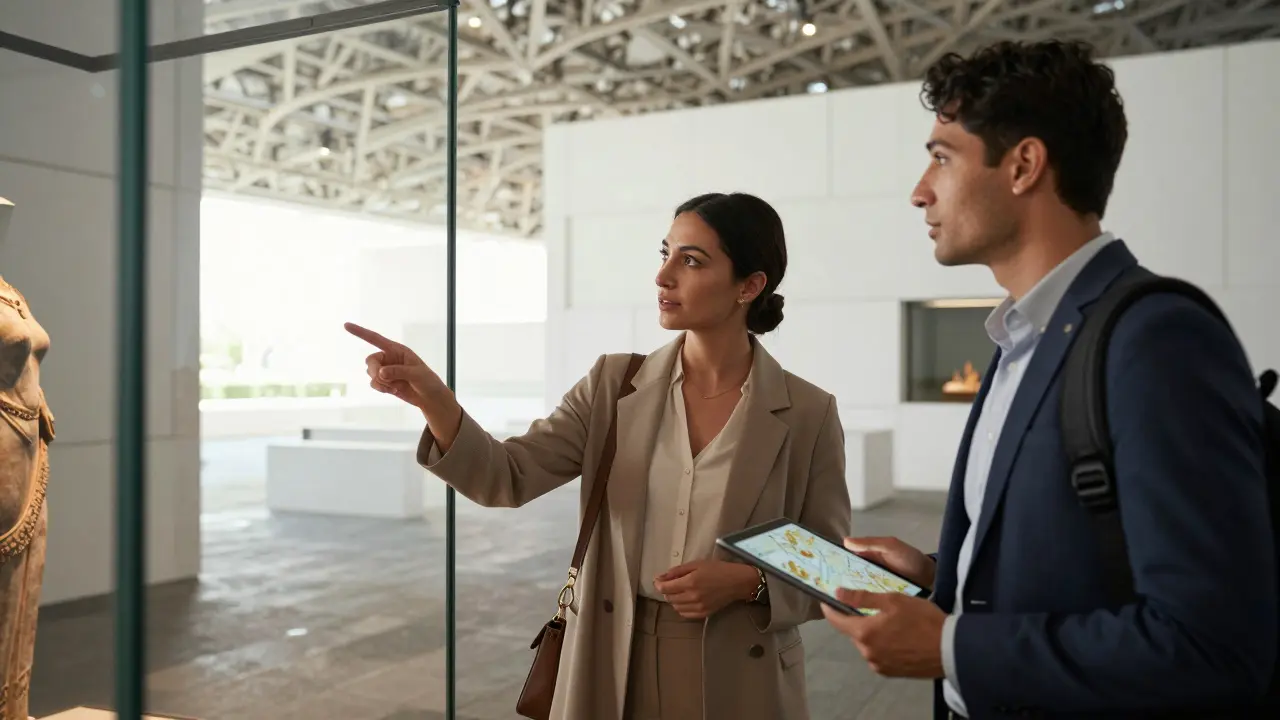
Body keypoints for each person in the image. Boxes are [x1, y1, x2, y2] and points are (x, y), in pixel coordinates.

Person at [821, 39, 1277, 718]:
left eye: (942, 158)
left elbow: (1211, 643)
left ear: (1024, 165)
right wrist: (943, 578)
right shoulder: (1021, 337)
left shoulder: (1155, 340)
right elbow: (1078, 563)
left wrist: (950, 648)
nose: (920, 191)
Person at [345, 191, 852, 720]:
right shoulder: (613, 385)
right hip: (613, 655)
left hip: (739, 671)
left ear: (749, 286)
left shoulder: (807, 413)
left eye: (692, 260)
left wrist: (750, 582)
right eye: (666, 253)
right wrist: (434, 398)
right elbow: (507, 476)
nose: (664, 276)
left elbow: (834, 564)